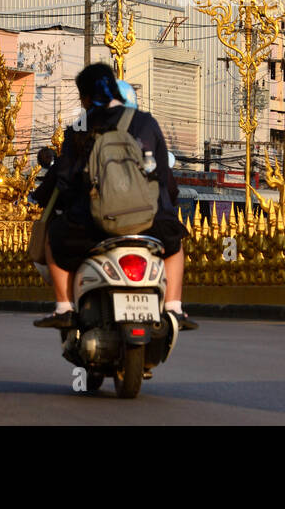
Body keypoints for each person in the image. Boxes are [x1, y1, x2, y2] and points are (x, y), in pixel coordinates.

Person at [30, 62, 197, 331]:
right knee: (175, 243)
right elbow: (166, 179)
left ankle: (64, 308)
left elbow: (65, 178)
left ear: (85, 97)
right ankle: (175, 309)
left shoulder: (79, 129)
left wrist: (47, 197)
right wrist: (165, 208)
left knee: (54, 239)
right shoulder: (145, 122)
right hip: (150, 222)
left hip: (92, 225)